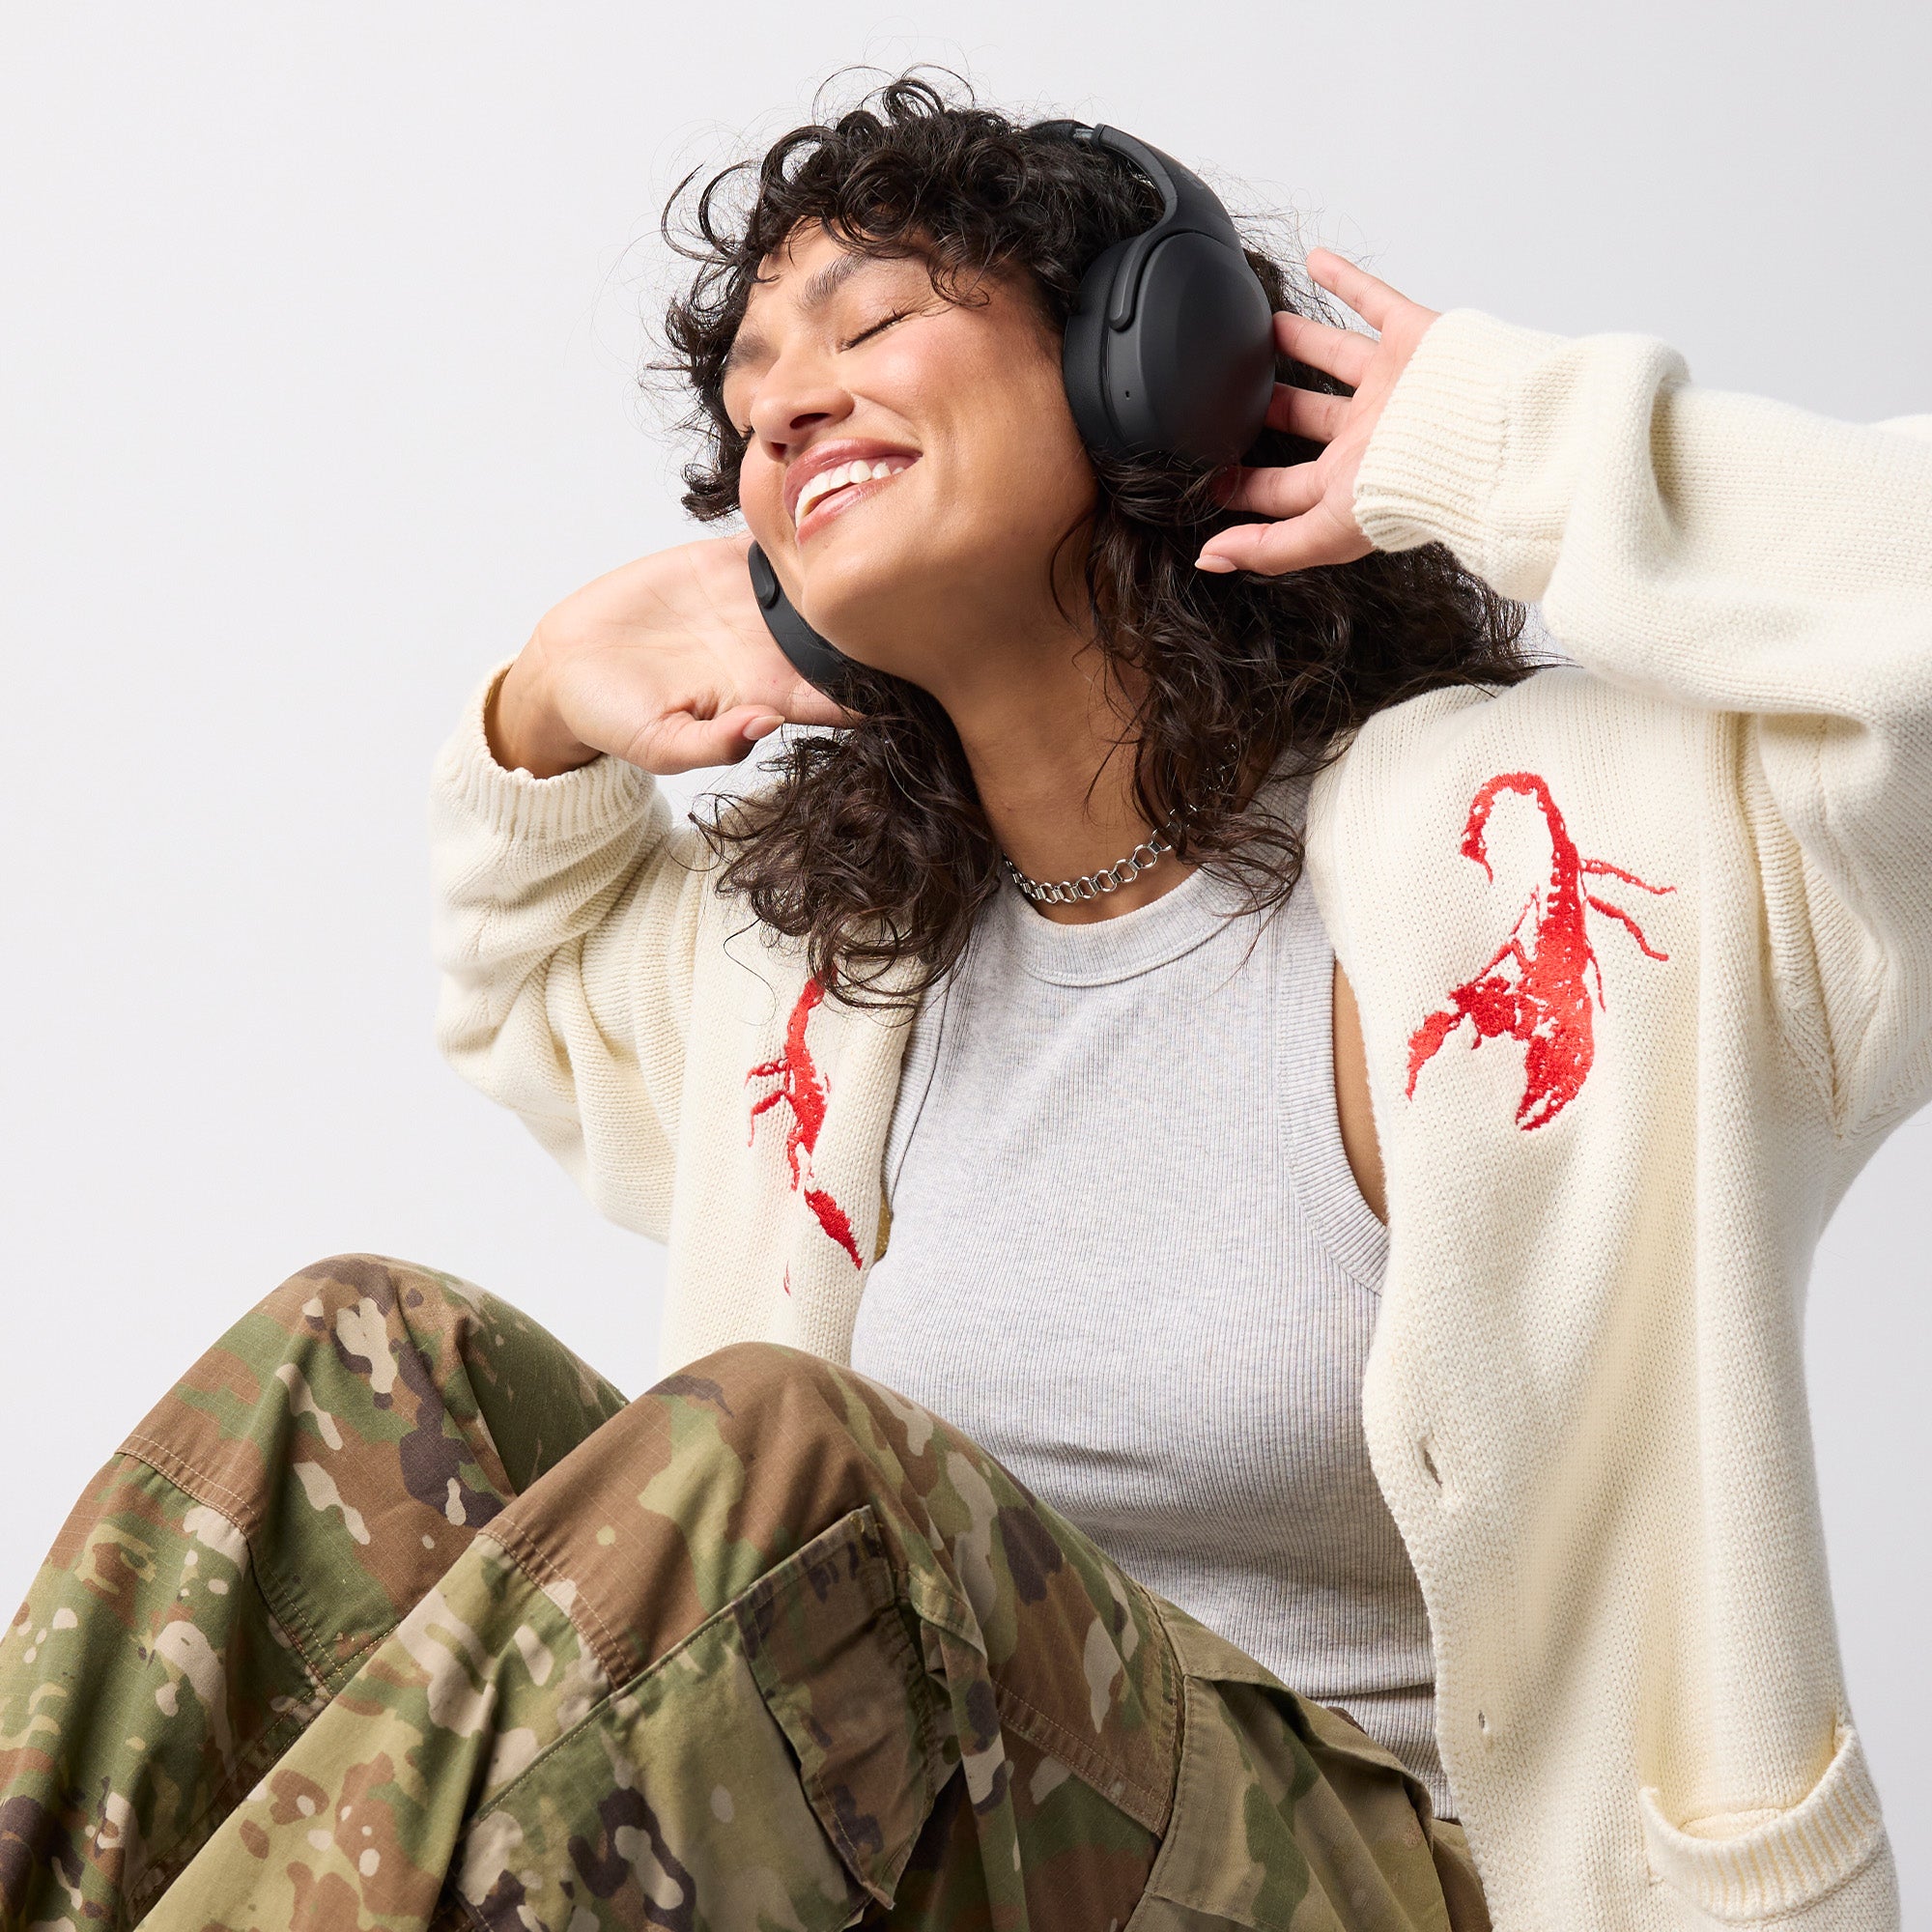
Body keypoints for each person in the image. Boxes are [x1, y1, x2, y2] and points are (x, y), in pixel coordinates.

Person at [4, 74, 1928, 1932]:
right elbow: (531, 984)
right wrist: (544, 701)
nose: (786, 406)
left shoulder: (1578, 855)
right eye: (753, 395)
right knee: (360, 1359)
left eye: (870, 325)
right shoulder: (836, 973)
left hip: (1419, 1887)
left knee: (792, 1459)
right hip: (941, 1868)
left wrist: (1519, 449)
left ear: (1141, 363)